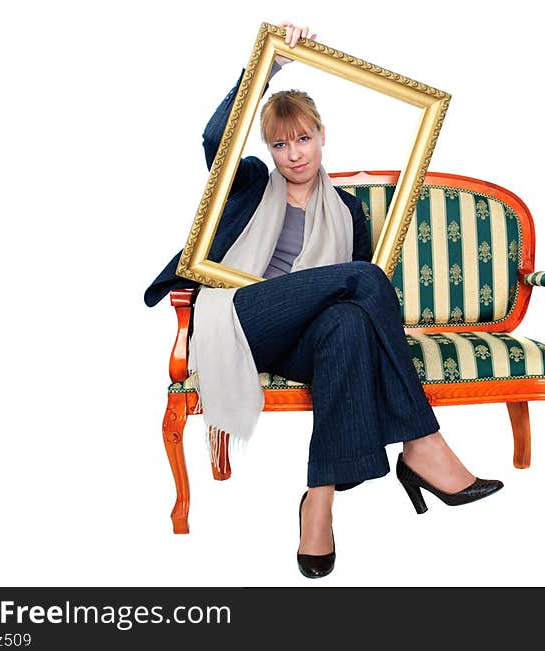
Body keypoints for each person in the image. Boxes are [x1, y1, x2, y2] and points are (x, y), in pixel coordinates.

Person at [144, 23, 503, 579]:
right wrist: (268, 67)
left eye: (303, 139)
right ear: (269, 149)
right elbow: (216, 138)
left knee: (346, 325)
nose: (293, 154)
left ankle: (319, 502)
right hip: (243, 318)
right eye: (281, 143)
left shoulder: (349, 212)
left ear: (322, 136)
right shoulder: (248, 186)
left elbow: (355, 305)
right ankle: (422, 442)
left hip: (302, 336)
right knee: (359, 278)